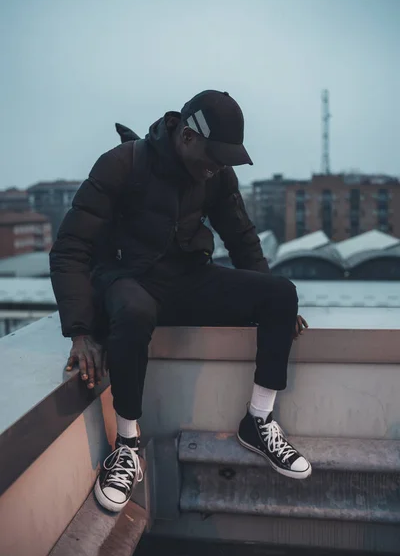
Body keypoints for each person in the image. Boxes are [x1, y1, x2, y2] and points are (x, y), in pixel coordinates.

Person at [50, 90, 311, 514]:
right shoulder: (122, 164)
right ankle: (127, 445)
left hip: (186, 278)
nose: (218, 168)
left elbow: (241, 238)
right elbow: (70, 249)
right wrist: (80, 331)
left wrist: (273, 310)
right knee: (134, 311)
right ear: (187, 137)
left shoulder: (216, 174)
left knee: (280, 293)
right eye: (214, 157)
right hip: (126, 279)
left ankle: (258, 422)